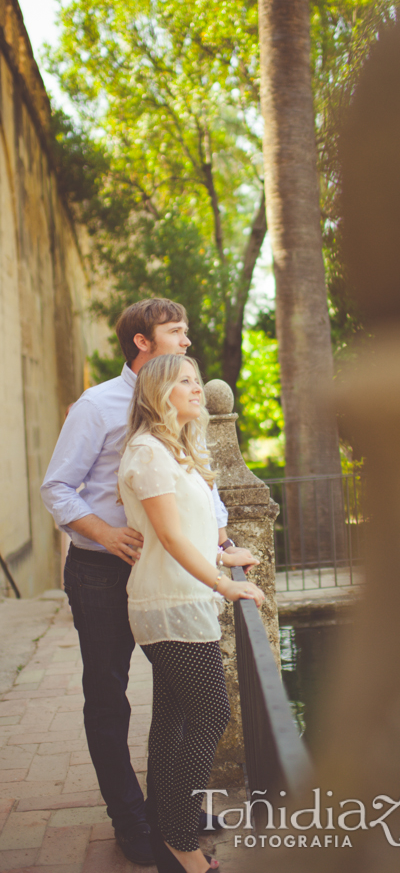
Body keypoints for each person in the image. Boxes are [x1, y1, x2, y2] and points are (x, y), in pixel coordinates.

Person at [40, 299, 243, 865]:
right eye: (176, 332)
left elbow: (202, 484)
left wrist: (221, 543)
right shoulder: (96, 405)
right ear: (142, 342)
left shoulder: (180, 399)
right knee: (108, 698)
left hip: (168, 572)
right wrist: (104, 533)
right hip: (103, 569)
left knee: (177, 701)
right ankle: (130, 819)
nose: (187, 341)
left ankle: (168, 811)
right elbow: (57, 487)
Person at [118, 354, 264, 873]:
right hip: (169, 604)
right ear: (159, 392)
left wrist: (225, 555)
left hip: (182, 599)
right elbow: (171, 537)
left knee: (175, 720)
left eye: (197, 380)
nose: (197, 388)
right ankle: (180, 841)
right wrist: (225, 584)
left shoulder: (175, 450)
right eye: (185, 381)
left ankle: (169, 838)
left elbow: (195, 531)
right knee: (210, 714)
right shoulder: (148, 453)